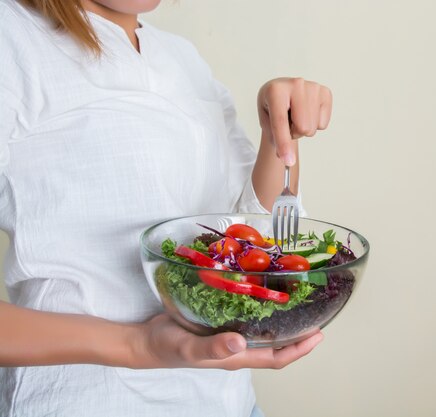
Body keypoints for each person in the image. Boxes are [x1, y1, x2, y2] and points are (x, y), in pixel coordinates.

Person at [0, 0, 332, 415]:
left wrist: (278, 133)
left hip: (227, 401)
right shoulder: (12, 36)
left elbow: (254, 236)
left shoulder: (181, 56)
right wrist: (141, 344)